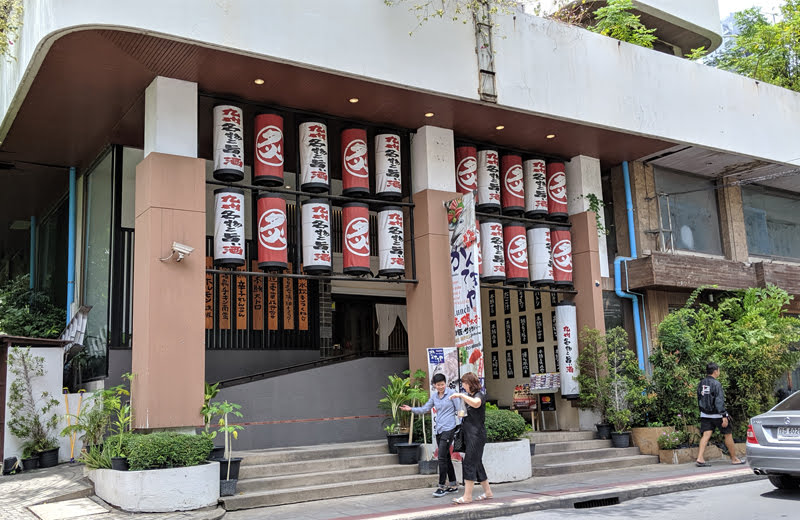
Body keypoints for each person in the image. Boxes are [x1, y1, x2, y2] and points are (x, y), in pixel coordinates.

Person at [400, 373, 459, 497]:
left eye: (442, 384)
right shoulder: (434, 397)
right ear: (434, 385)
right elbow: (425, 409)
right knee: (446, 457)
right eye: (438, 385)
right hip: (439, 430)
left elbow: (460, 411)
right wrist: (411, 409)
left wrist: (463, 426)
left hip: (449, 428)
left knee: (441, 457)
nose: (441, 387)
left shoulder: (453, 394)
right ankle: (453, 485)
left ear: (445, 383)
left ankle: (442, 486)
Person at [449, 372, 493, 504]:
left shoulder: (479, 395)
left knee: (468, 462)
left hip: (476, 435)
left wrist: (461, 395)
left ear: (469, 384)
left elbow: (476, 404)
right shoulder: (469, 396)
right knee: (477, 463)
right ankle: (488, 492)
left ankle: (467, 496)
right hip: (469, 434)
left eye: (464, 383)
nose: (463, 386)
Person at [696, 362, 745, 467]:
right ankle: (734, 459)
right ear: (715, 371)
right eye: (718, 370)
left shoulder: (701, 383)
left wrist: (702, 410)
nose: (719, 372)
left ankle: (700, 458)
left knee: (706, 435)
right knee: (728, 434)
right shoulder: (716, 384)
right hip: (717, 415)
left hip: (705, 414)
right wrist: (723, 415)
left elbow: (699, 398)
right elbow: (719, 401)